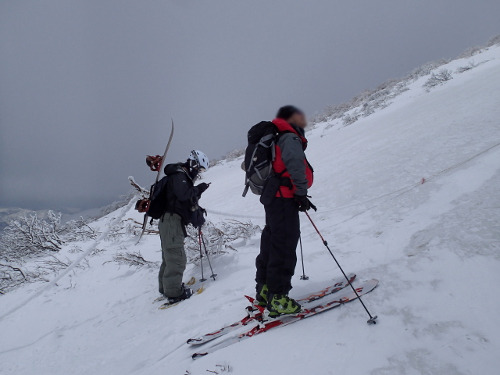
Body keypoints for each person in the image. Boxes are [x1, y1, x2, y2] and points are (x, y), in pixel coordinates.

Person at [255, 106, 315, 317]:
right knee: (284, 244)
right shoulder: (288, 137)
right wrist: (300, 192)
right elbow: (296, 165)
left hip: (273, 198)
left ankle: (264, 290)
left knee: (272, 242)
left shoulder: (274, 137)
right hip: (283, 198)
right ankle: (278, 298)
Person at [136, 150, 210, 304]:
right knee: (176, 257)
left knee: (169, 257)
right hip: (171, 221)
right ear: (194, 163)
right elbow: (184, 195)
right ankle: (174, 293)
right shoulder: (179, 176)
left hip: (169, 221)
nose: (199, 172)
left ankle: (166, 289)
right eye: (201, 169)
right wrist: (199, 189)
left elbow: (183, 198)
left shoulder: (179, 176)